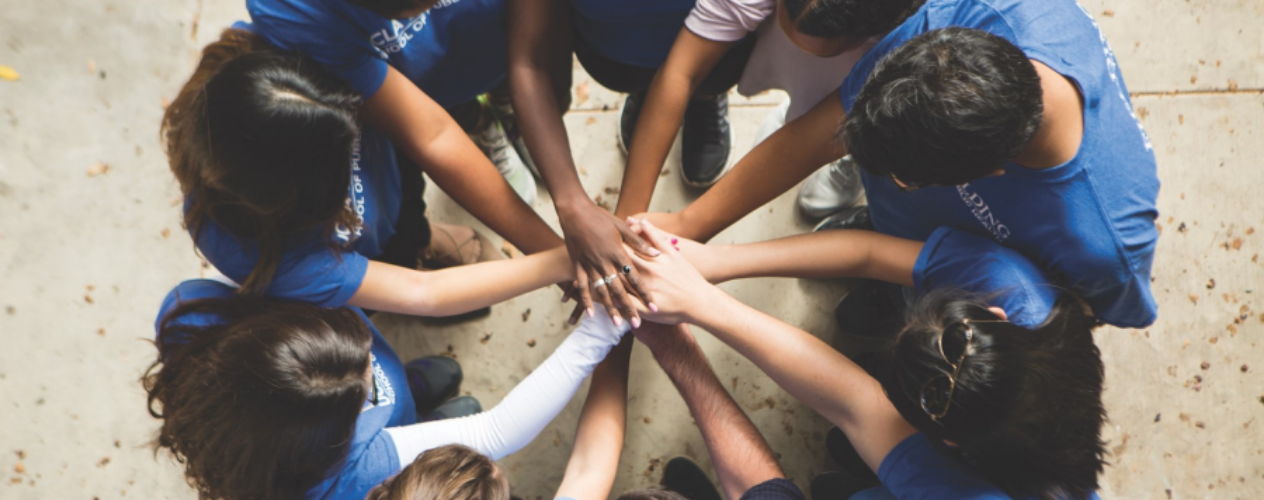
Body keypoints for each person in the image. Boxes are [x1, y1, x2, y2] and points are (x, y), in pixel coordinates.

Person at [648, 0, 1160, 329]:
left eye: (899, 180)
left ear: (986, 175)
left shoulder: (1104, 242)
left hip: (970, 284)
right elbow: (815, 134)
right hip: (923, 241)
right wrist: (691, 225)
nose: (880, 180)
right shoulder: (958, 22)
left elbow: (1082, 317)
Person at [164, 29, 649, 325]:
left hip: (394, 187)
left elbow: (430, 134)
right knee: (394, 268)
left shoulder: (267, 62)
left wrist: (558, 248)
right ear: (306, 204)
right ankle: (410, 247)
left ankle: (422, 238)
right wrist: (564, 263)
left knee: (407, 214)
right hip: (361, 252)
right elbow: (423, 295)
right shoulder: (263, 256)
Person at [628, 219, 1108, 500]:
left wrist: (692, 323)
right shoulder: (1018, 290)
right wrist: (714, 265)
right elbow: (869, 252)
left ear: (944, 441)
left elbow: (855, 403)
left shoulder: (954, 490)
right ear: (996, 315)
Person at [144, 279, 630, 500]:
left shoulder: (192, 315)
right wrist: (602, 331)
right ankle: (425, 420)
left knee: (410, 391)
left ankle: (416, 398)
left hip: (385, 436)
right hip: (396, 447)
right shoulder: (352, 473)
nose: (367, 375)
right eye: (361, 397)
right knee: (451, 421)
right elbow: (500, 429)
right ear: (329, 443)